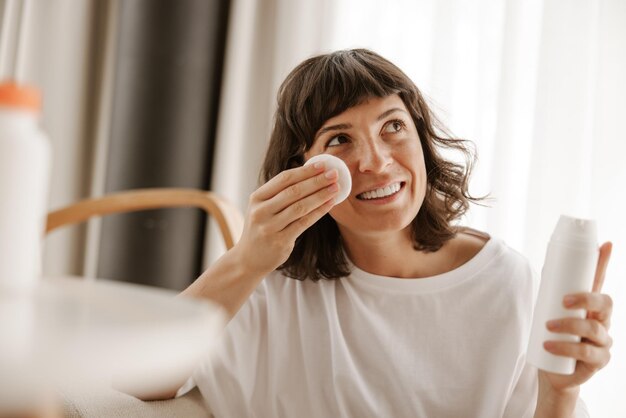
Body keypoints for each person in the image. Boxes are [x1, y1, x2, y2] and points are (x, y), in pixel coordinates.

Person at [177, 49, 613, 417]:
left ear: (421, 137)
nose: (376, 162)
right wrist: (246, 260)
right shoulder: (274, 287)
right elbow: (141, 380)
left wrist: (560, 392)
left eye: (392, 127)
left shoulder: (502, 280)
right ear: (301, 170)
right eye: (338, 140)